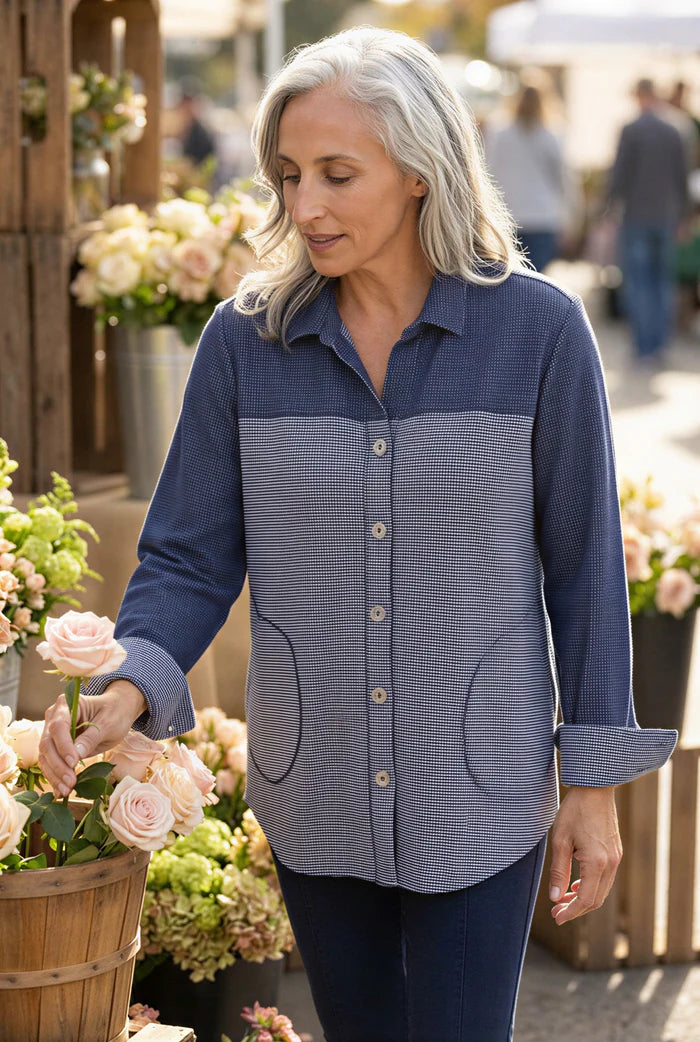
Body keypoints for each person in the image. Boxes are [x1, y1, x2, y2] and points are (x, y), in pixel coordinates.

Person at [39, 29, 677, 1042]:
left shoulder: (538, 333)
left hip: (485, 788)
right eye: (289, 175)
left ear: (421, 172)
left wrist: (591, 786)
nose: (304, 206)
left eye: (339, 174)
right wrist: (130, 679)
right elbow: (188, 553)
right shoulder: (245, 345)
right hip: (316, 788)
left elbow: (587, 571)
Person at [607, 78, 689, 366]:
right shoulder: (675, 130)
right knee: (661, 283)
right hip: (666, 216)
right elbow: (683, 178)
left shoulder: (631, 130)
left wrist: (608, 211)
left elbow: (618, 176)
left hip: (637, 216)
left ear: (640, 96)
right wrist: (684, 217)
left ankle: (643, 347)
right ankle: (660, 345)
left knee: (639, 283)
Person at [485, 84, 569, 272]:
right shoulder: (551, 135)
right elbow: (564, 181)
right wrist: (569, 218)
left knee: (508, 280)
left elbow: (488, 175)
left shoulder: (500, 134)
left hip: (508, 217)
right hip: (543, 218)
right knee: (539, 283)